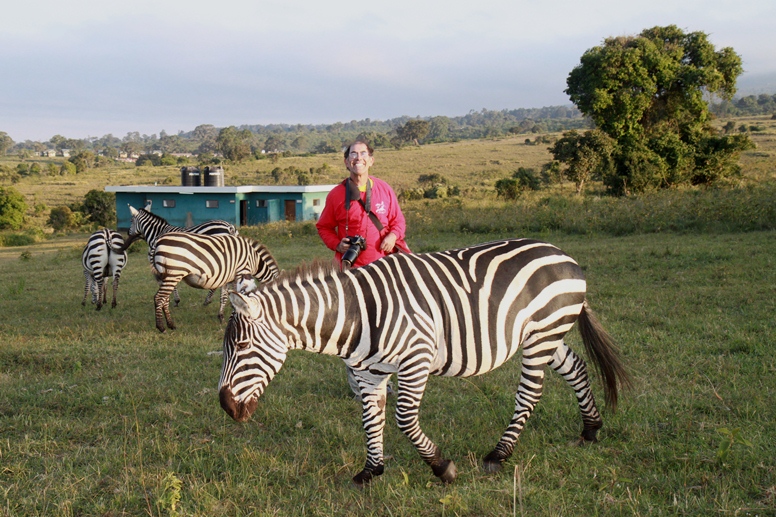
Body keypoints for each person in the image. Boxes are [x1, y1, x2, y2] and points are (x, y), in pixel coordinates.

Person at [316, 138, 410, 398]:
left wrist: (392, 236)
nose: (358, 158)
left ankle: (383, 384)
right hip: (352, 272)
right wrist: (338, 243)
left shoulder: (383, 189)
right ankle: (360, 388)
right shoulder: (337, 194)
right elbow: (323, 227)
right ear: (346, 162)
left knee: (386, 329)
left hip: (384, 271)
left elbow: (398, 221)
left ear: (371, 159)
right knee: (354, 331)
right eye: (353, 154)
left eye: (363, 153)